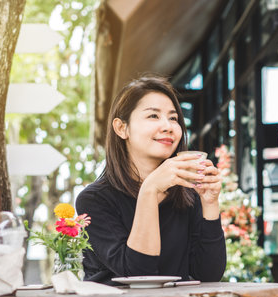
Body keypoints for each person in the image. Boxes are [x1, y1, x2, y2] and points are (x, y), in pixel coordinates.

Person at [76, 74, 226, 285]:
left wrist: (210, 204)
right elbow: (138, 276)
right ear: (122, 128)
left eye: (173, 118)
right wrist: (150, 191)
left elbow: (208, 274)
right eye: (153, 116)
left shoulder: (186, 193)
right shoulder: (94, 199)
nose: (168, 126)